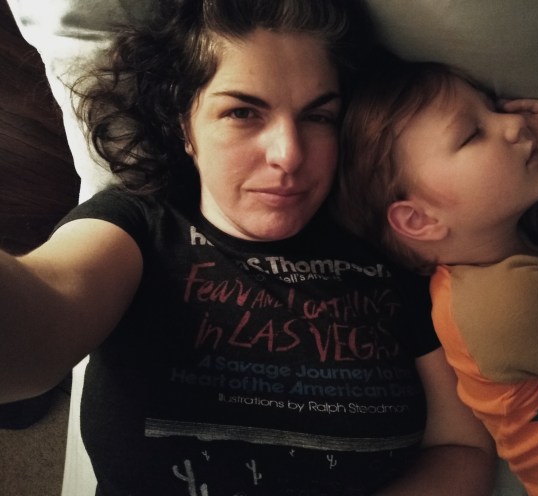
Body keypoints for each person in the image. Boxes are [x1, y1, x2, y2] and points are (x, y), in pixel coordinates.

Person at [0, 1, 496, 495]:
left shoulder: (386, 242)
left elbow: (461, 448)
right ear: (184, 124)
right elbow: (43, 315)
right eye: (242, 112)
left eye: (318, 116)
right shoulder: (138, 225)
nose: (289, 154)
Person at [335, 53, 538, 496]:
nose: (514, 124)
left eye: (493, 108)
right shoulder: (502, 303)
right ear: (419, 220)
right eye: (472, 133)